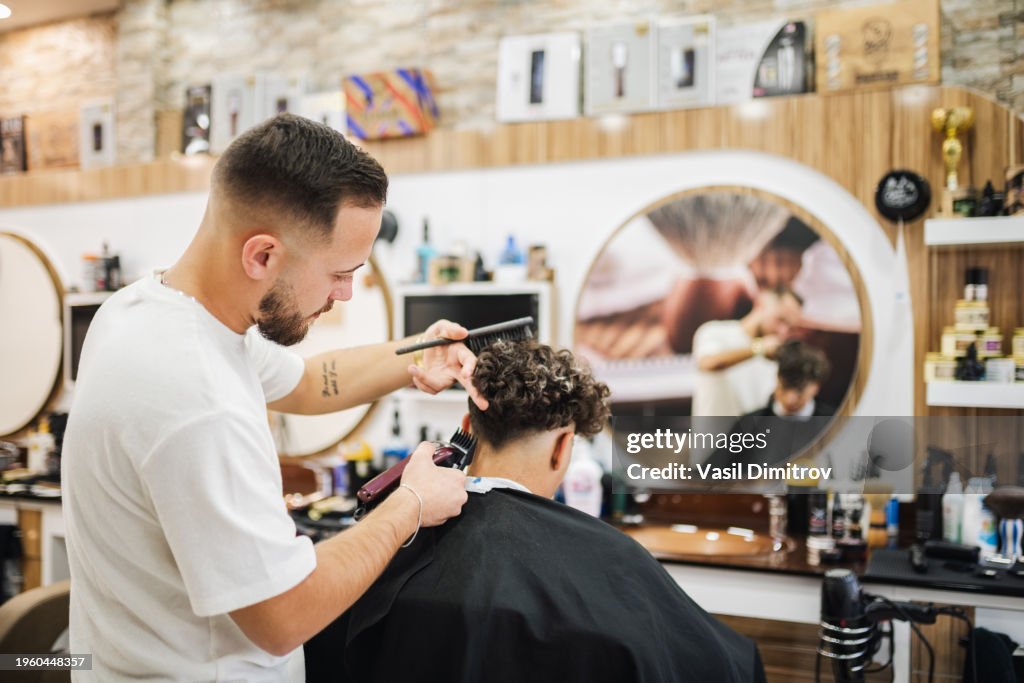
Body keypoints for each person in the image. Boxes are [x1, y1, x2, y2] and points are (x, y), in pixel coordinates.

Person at [62, 114, 484, 681]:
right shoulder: (196, 397)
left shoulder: (144, 310)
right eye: (339, 272)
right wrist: (410, 503)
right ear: (262, 255)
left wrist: (416, 352)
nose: (346, 292)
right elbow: (282, 614)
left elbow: (309, 382)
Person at [305, 339, 766, 683]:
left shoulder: (380, 540)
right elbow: (722, 664)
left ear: (468, 425)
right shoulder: (612, 562)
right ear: (564, 447)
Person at [704, 340, 834, 470]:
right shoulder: (750, 424)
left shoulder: (833, 423)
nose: (790, 399)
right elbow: (708, 474)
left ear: (816, 386)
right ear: (777, 379)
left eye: (799, 392)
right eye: (785, 388)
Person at [691, 287, 802, 417]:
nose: (783, 331)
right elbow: (707, 363)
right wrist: (759, 348)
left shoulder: (773, 357)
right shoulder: (714, 332)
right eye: (780, 320)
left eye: (790, 327)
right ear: (761, 304)